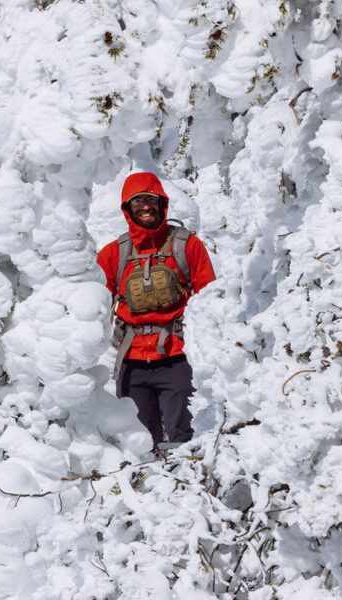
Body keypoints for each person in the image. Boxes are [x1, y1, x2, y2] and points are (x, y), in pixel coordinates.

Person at [97, 172, 216, 450]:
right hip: (131, 360)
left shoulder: (188, 246)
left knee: (183, 439)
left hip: (176, 356)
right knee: (140, 441)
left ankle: (186, 488)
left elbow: (210, 301)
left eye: (151, 199)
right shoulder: (113, 254)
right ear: (128, 209)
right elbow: (95, 306)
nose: (145, 206)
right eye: (138, 201)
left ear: (162, 203)